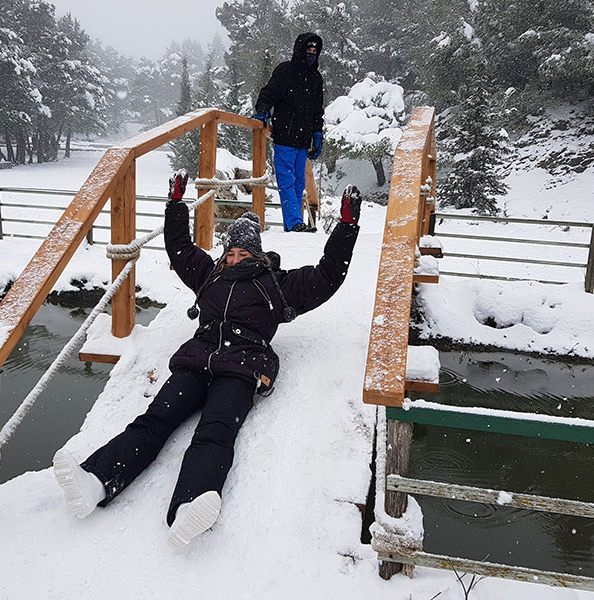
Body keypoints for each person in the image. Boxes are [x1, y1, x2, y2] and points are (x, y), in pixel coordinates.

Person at [53, 171, 362, 549]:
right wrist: (175, 204)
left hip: (242, 368)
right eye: (230, 252)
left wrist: (346, 227)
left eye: (242, 253)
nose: (234, 259)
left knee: (216, 431)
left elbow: (327, 277)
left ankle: (189, 505)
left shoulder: (277, 285)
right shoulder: (209, 275)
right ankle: (96, 480)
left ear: (258, 255)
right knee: (155, 419)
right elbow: (180, 248)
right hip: (196, 363)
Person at [252, 32, 325, 233]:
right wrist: (262, 111)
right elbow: (268, 93)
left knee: (299, 183)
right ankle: (294, 224)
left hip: (303, 140)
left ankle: (293, 225)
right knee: (287, 181)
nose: (311, 54)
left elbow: (317, 110)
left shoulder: (316, 78)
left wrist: (318, 134)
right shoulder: (285, 71)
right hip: (285, 136)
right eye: (308, 50)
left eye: (315, 51)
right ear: (299, 51)